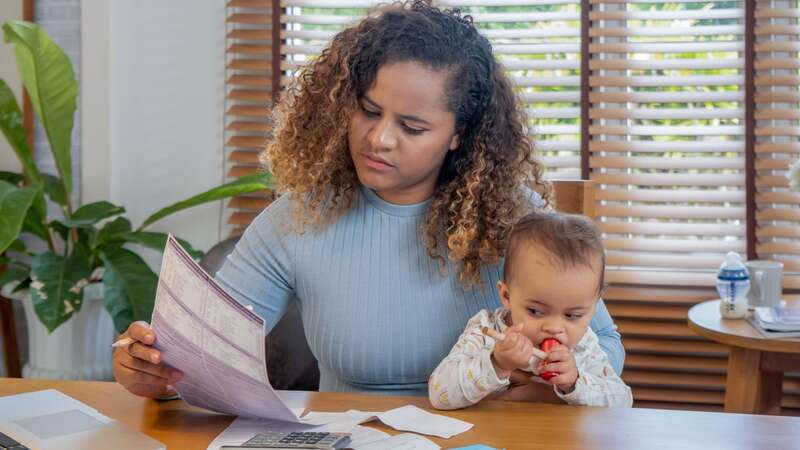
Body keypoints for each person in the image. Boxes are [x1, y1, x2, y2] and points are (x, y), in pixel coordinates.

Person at [112, 1, 624, 400]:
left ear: (458, 134)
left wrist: (547, 379)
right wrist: (153, 369)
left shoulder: (518, 218)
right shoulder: (298, 217)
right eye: (368, 111)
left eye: (412, 126)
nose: (378, 139)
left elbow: (607, 352)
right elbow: (199, 353)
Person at [429, 212, 633, 409]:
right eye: (535, 311)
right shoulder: (486, 331)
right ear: (507, 296)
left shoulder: (583, 345)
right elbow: (439, 395)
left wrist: (574, 382)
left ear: (594, 307)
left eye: (572, 315)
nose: (554, 328)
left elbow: (623, 400)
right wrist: (497, 363)